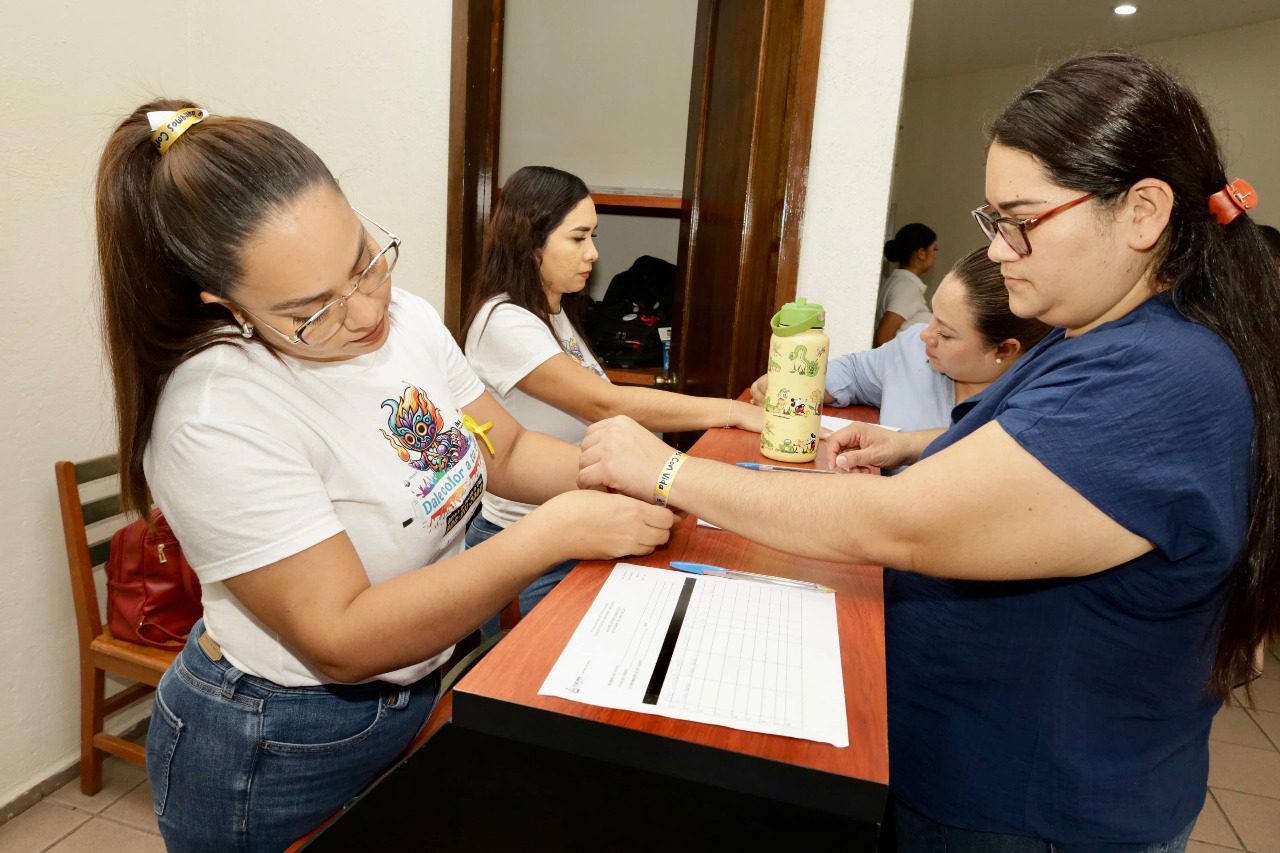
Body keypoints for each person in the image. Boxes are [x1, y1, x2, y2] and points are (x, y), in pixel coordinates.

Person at [577, 52, 1280, 852]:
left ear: (1143, 211)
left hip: (1031, 809)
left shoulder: (1161, 375)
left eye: (1021, 219)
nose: (1001, 249)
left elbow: (904, 522)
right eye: (994, 220)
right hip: (978, 769)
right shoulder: (1098, 334)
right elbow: (1041, 465)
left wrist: (667, 469)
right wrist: (915, 440)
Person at [96, 101, 676, 852]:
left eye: (364, 260)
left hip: (412, 690)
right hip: (276, 739)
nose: (365, 310)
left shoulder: (407, 319)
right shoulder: (215, 413)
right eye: (310, 311)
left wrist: (639, 473)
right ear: (223, 301)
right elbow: (341, 634)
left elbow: (503, 451)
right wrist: (551, 534)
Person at [461, 165, 761, 626]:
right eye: (578, 238)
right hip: (529, 544)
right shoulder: (504, 321)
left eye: (593, 236)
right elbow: (606, 402)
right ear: (530, 241)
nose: (593, 253)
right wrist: (731, 411)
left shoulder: (553, 312)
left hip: (580, 526)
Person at [750, 247, 1050, 471]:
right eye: (932, 315)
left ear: (1004, 349)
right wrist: (797, 383)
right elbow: (854, 372)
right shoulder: (913, 348)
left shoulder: (1042, 399)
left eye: (945, 334)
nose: (926, 334)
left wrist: (905, 447)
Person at [873, 222, 937, 346]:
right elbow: (883, 338)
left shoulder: (898, 282)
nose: (934, 256)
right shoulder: (907, 287)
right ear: (921, 253)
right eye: (934, 249)